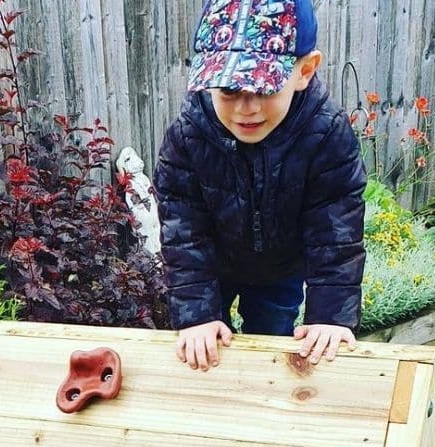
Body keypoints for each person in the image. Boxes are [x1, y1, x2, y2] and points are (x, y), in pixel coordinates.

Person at [154, 0, 366, 371]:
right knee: (202, 352)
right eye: (228, 90)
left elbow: (335, 232)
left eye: (264, 88)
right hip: (211, 267)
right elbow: (184, 231)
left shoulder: (327, 134)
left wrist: (330, 316)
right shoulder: (188, 135)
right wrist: (196, 314)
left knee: (269, 350)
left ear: (305, 70)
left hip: (279, 268)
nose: (245, 108)